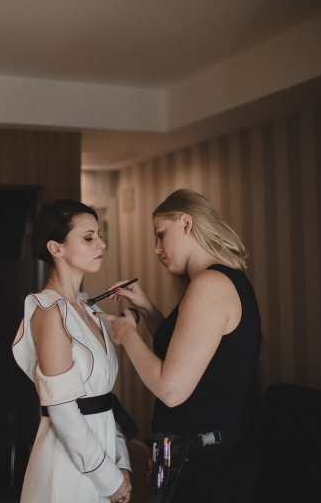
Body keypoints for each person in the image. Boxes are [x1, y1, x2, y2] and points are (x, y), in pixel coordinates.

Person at [96, 189, 261, 502]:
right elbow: (187, 351)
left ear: (186, 224)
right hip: (199, 454)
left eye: (160, 235)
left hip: (205, 465)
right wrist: (143, 304)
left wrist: (126, 334)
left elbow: (171, 390)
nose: (157, 249)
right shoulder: (218, 280)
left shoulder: (209, 285)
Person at [12, 199, 133, 503]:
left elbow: (103, 401)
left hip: (104, 461)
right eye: (89, 237)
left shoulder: (89, 309)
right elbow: (64, 411)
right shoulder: (50, 312)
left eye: (99, 235)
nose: (101, 243)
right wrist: (108, 477)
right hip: (67, 468)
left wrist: (121, 462)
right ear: (56, 248)